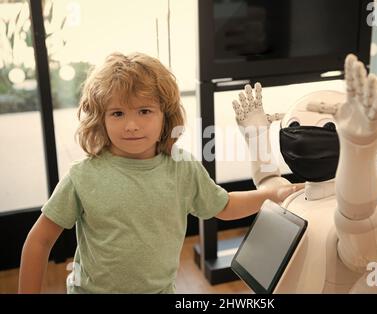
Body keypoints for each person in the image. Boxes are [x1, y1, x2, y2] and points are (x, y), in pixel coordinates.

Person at [18, 52, 300, 294]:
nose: (131, 125)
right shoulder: (82, 176)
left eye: (144, 111)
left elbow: (223, 206)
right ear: (100, 118)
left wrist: (267, 194)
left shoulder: (182, 167)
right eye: (117, 113)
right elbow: (40, 240)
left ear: (166, 115)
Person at [231, 54, 377, 292]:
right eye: (293, 126)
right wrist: (256, 138)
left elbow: (359, 234)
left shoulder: (354, 215)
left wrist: (360, 154)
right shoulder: (294, 197)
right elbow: (270, 185)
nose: (303, 137)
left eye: (328, 127)